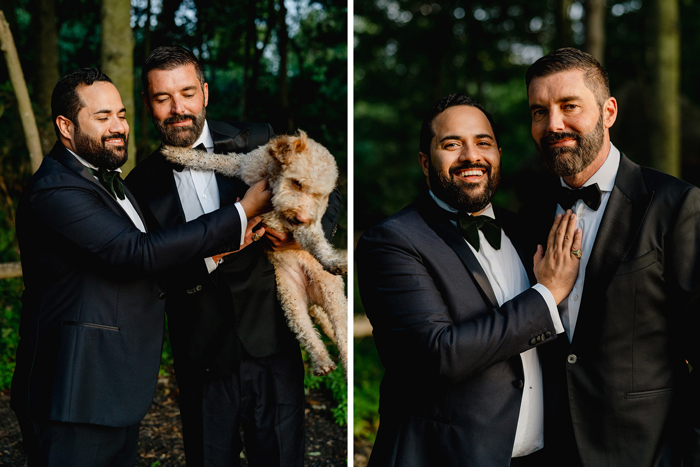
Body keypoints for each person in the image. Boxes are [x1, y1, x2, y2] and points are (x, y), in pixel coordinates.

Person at [11, 68, 271, 466]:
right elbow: (135, 253)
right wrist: (240, 211)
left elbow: (144, 269)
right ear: (65, 126)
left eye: (121, 114)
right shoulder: (56, 188)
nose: (118, 127)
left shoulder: (109, 181)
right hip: (73, 393)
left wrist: (217, 254)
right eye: (102, 118)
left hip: (114, 389)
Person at [126, 45, 341, 467]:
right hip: (202, 362)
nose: (177, 108)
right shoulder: (140, 185)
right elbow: (155, 275)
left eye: (187, 93)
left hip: (274, 347)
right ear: (148, 103)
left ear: (205, 93)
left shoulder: (260, 139)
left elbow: (326, 195)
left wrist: (300, 238)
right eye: (162, 97)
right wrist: (214, 254)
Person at [356, 93, 583, 466]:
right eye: (451, 144)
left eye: (483, 142)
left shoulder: (527, 230)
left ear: (497, 154)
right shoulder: (392, 241)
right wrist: (547, 295)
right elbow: (438, 354)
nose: (470, 157)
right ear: (425, 163)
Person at [522, 47, 700, 466]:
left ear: (608, 112)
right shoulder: (529, 215)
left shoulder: (676, 206)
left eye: (569, 106)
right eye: (539, 111)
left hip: (649, 452)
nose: (554, 124)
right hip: (551, 451)